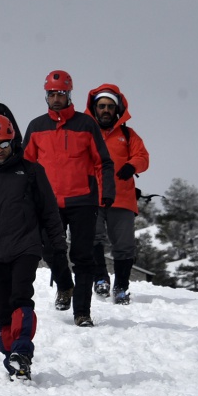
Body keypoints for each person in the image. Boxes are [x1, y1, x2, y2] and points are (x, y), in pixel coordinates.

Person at [0, 115, 67, 381]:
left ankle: (23, 350)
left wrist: (57, 245)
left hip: (25, 246)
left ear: (13, 140)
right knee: (1, 311)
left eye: (4, 143)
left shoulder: (32, 171)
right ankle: (11, 357)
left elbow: (49, 211)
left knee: (20, 298)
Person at [22, 70, 114, 327]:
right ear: (46, 96)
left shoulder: (86, 124)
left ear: (69, 94)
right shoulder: (36, 126)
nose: (56, 98)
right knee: (49, 249)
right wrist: (24, 197)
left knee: (83, 256)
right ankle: (64, 285)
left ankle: (82, 312)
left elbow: (103, 162)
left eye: (61, 93)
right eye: (52, 94)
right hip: (48, 202)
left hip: (83, 199)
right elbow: (25, 167)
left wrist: (107, 191)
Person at [84, 84, 149, 305]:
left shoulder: (128, 134)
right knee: (92, 238)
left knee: (125, 245)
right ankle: (100, 278)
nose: (105, 110)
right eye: (101, 106)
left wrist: (132, 166)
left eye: (110, 106)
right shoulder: (85, 132)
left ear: (117, 109)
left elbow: (143, 157)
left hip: (122, 198)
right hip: (91, 196)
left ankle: (121, 286)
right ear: (94, 108)